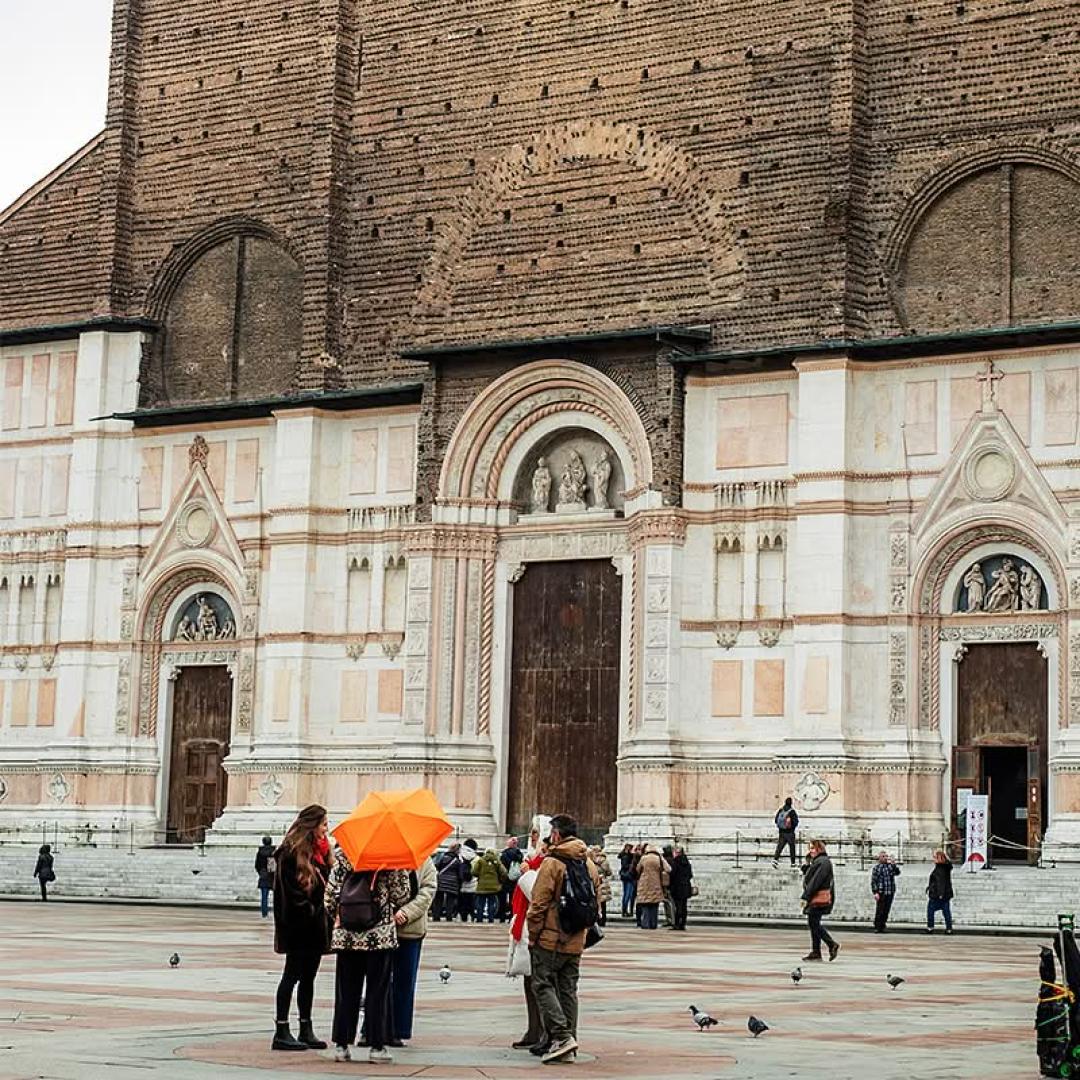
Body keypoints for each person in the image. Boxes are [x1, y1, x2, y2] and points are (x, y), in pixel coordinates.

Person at [526, 813, 601, 1065]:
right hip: (577, 938)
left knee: (542, 984)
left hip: (550, 938)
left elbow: (538, 904)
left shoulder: (552, 862)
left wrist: (533, 934)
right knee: (568, 989)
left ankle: (561, 1036)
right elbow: (597, 900)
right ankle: (568, 1045)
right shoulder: (589, 862)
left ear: (556, 834)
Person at [324, 846, 410, 1064]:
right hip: (378, 937)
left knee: (345, 991)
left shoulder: (344, 853)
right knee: (377, 992)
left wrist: (343, 915)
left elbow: (330, 895)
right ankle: (376, 1046)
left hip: (347, 937)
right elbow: (402, 896)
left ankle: (342, 1046)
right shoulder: (391, 856)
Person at [271, 805, 331, 1052]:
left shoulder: (319, 854)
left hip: (315, 926)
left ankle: (305, 1027)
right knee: (291, 976)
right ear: (312, 825)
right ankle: (281, 1030)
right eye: (324, 824)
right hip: (298, 926)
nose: (327, 829)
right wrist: (310, 911)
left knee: (309, 978)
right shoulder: (289, 853)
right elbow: (290, 894)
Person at [390, 856, 436, 1044]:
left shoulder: (425, 861)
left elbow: (428, 891)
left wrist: (406, 912)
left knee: (404, 981)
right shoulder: (385, 858)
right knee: (379, 982)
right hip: (383, 929)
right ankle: (372, 1028)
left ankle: (397, 1030)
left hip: (411, 930)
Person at [509, 847, 547, 1051]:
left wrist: (527, 874)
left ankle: (546, 1033)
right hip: (527, 928)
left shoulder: (549, 863)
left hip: (540, 931)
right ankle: (533, 1029)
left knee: (541, 983)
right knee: (530, 981)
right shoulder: (532, 863)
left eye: (536, 834)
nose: (532, 839)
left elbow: (539, 896)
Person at [801, 839, 840, 962]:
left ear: (819, 849)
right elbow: (810, 875)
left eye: (813, 848)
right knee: (814, 923)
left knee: (814, 923)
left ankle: (831, 944)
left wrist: (806, 896)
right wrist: (808, 864)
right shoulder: (818, 861)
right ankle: (816, 951)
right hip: (815, 897)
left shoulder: (823, 862)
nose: (810, 851)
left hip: (818, 897)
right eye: (810, 848)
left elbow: (816, 881)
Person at [634, 844, 669, 930]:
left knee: (645, 905)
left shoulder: (644, 858)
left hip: (644, 883)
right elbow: (668, 869)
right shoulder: (659, 858)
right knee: (654, 905)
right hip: (656, 883)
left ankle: (645, 923)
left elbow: (637, 869)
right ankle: (653, 924)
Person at [432, 843, 467, 921]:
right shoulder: (457, 861)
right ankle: (449, 916)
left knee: (438, 899)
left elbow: (436, 866)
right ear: (457, 850)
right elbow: (460, 874)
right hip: (452, 882)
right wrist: (460, 882)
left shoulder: (442, 857)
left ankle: (436, 916)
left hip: (440, 881)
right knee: (450, 901)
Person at [472, 847, 508, 923]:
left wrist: (480, 875)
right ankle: (490, 919)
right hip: (493, 887)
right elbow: (504, 872)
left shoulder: (480, 860)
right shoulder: (497, 861)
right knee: (491, 903)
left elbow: (474, 872)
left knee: (480, 903)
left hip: (482, 886)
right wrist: (500, 880)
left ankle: (479, 918)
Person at [870, 851, 901, 933]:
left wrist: (894, 864)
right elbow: (874, 881)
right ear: (879, 858)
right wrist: (875, 892)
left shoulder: (890, 867)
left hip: (890, 891)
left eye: (886, 856)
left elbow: (897, 873)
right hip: (881, 892)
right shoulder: (876, 868)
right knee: (880, 909)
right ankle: (877, 926)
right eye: (883, 856)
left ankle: (883, 925)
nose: (885, 858)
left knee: (886, 910)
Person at [926, 849, 954, 934]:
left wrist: (940, 894)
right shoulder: (946, 867)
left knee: (930, 910)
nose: (933, 859)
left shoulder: (940, 868)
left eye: (935, 857)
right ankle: (949, 928)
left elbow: (940, 882)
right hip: (946, 894)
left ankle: (930, 927)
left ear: (939, 858)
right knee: (946, 912)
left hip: (938, 895)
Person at [668, 846, 694, 931]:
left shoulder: (675, 862)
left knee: (678, 906)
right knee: (684, 906)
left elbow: (672, 875)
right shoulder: (687, 863)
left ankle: (677, 924)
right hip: (686, 886)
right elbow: (690, 875)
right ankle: (683, 923)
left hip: (677, 887)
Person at [499, 836, 524, 922]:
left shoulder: (504, 853)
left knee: (503, 898)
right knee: (513, 899)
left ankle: (502, 916)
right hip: (515, 879)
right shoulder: (519, 854)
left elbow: (501, 866)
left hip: (505, 879)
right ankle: (512, 916)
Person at [587, 846, 613, 926]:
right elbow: (609, 872)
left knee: (595, 902)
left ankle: (597, 919)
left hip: (594, 881)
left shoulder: (590, 860)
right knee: (603, 903)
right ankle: (603, 919)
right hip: (603, 882)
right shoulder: (604, 861)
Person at [772, 797, 800, 868]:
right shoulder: (792, 811)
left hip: (781, 832)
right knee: (792, 847)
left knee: (780, 846)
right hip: (790, 832)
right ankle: (793, 863)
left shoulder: (781, 810)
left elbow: (776, 820)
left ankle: (775, 860)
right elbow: (795, 822)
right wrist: (791, 827)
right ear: (791, 803)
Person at [458, 838, 480, 923]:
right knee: (471, 904)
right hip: (473, 886)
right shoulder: (477, 859)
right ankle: (471, 918)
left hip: (462, 885)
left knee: (462, 904)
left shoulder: (460, 856)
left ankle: (462, 918)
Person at [256, 835, 275, 919]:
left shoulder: (260, 852)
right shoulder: (273, 852)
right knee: (277, 896)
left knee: (264, 896)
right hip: (271, 875)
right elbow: (272, 866)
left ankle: (264, 913)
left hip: (263, 875)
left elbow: (257, 865)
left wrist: (261, 872)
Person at [617, 843, 636, 918]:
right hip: (628, 876)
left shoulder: (625, 855)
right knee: (628, 894)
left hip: (626, 876)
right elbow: (625, 866)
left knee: (627, 894)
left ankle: (625, 910)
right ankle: (624, 910)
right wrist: (632, 864)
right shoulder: (626, 856)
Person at [660, 844, 676, 927]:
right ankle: (671, 920)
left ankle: (670, 919)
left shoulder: (665, 860)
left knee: (668, 903)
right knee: (670, 903)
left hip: (666, 884)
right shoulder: (673, 860)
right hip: (671, 884)